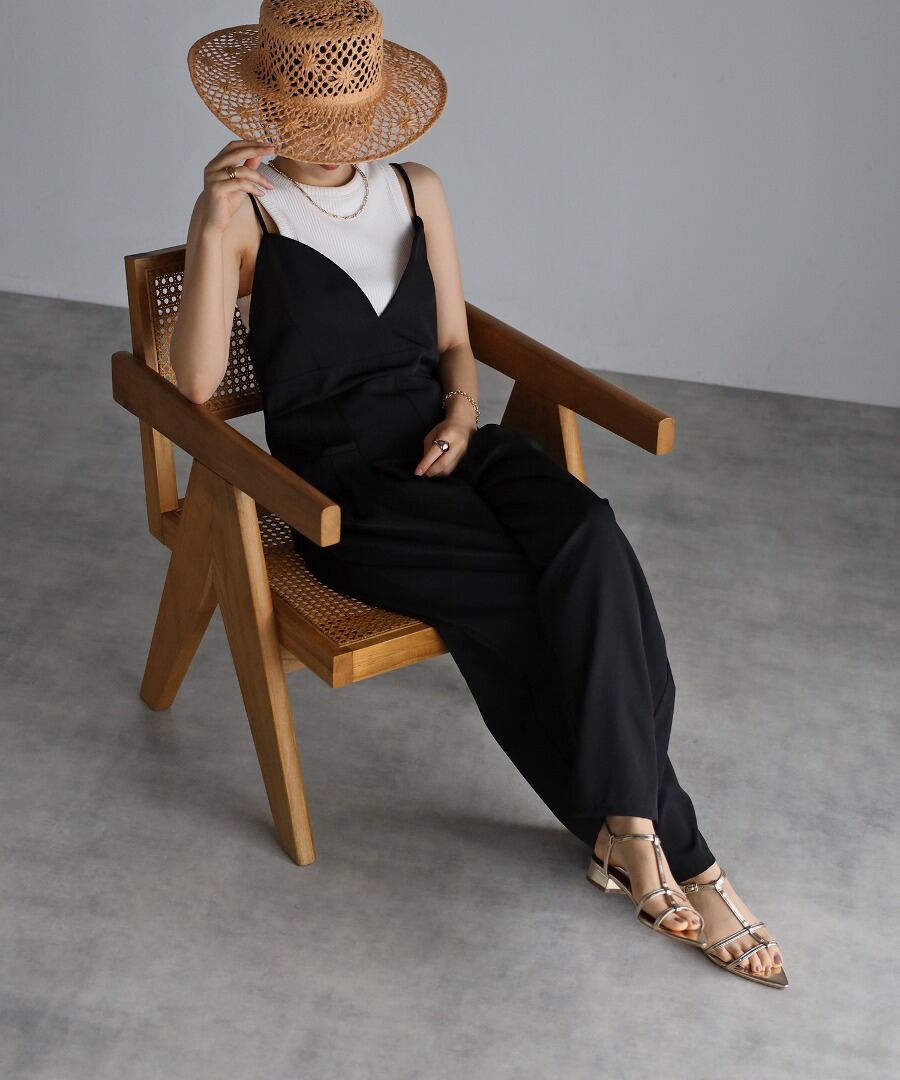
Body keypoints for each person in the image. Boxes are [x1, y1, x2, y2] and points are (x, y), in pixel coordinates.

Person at [173, 0, 786, 988]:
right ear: (268, 108)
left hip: (455, 442)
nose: (330, 139)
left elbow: (455, 343)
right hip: (351, 488)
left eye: (345, 117)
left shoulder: (417, 188)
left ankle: (626, 828)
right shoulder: (247, 211)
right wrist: (208, 225)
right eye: (310, 117)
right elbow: (196, 384)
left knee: (590, 534)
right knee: (523, 601)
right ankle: (681, 851)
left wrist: (461, 417)